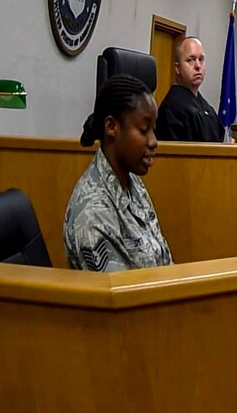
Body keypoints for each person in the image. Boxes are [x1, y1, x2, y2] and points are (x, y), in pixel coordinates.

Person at [65, 75, 174, 271]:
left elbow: (163, 259)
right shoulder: (93, 213)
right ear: (111, 127)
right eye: (143, 129)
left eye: (153, 129)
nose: (153, 141)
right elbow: (119, 298)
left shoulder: (132, 182)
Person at [154, 36, 226, 143]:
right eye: (191, 60)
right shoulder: (172, 109)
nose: (198, 66)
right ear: (177, 68)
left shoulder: (205, 106)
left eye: (201, 59)